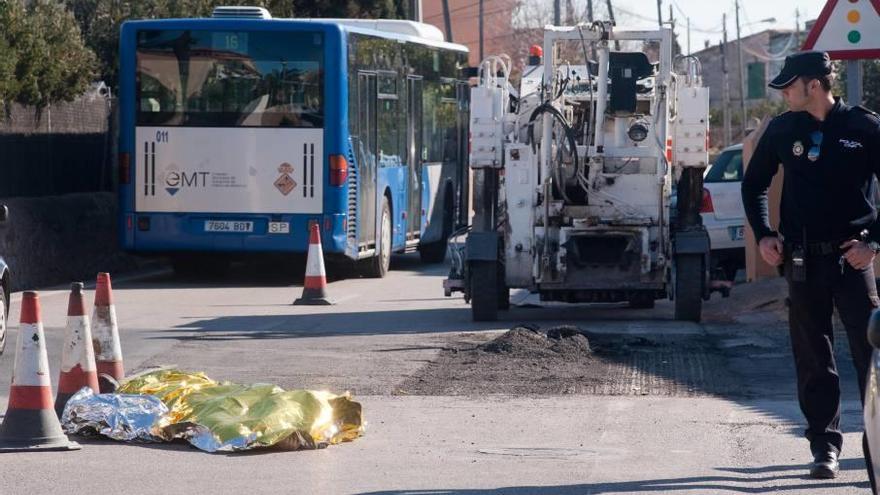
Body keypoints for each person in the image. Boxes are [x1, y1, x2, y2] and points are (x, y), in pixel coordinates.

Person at [741, 50, 880, 486]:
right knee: (813, 358)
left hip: (851, 259)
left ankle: (876, 450)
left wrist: (873, 243)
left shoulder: (864, 127)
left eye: (789, 85)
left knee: (870, 355)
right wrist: (764, 233)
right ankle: (824, 447)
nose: (783, 93)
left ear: (814, 85)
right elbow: (754, 184)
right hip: (801, 262)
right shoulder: (784, 129)